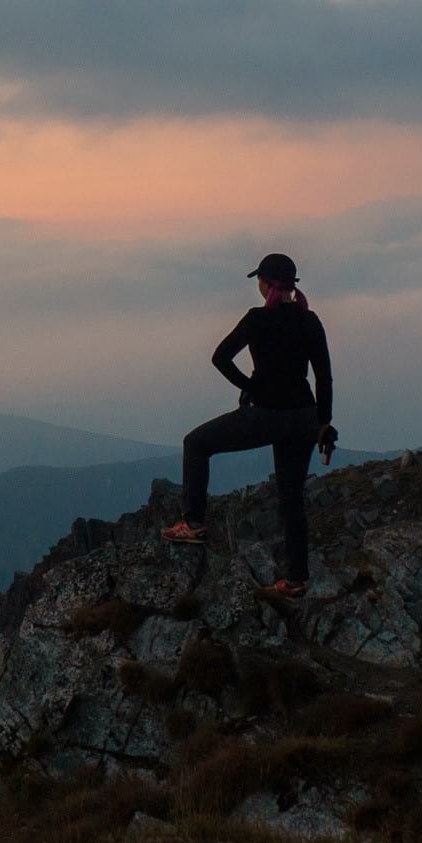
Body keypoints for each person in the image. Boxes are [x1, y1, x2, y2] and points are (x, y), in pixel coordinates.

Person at [160, 252, 334, 598]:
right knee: (292, 499)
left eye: (260, 280)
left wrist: (250, 386)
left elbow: (220, 357)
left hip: (266, 414)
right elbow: (324, 377)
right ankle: (296, 580)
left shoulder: (257, 319)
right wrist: (323, 423)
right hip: (303, 418)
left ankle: (194, 523)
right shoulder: (310, 321)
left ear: (266, 284)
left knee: (196, 443)